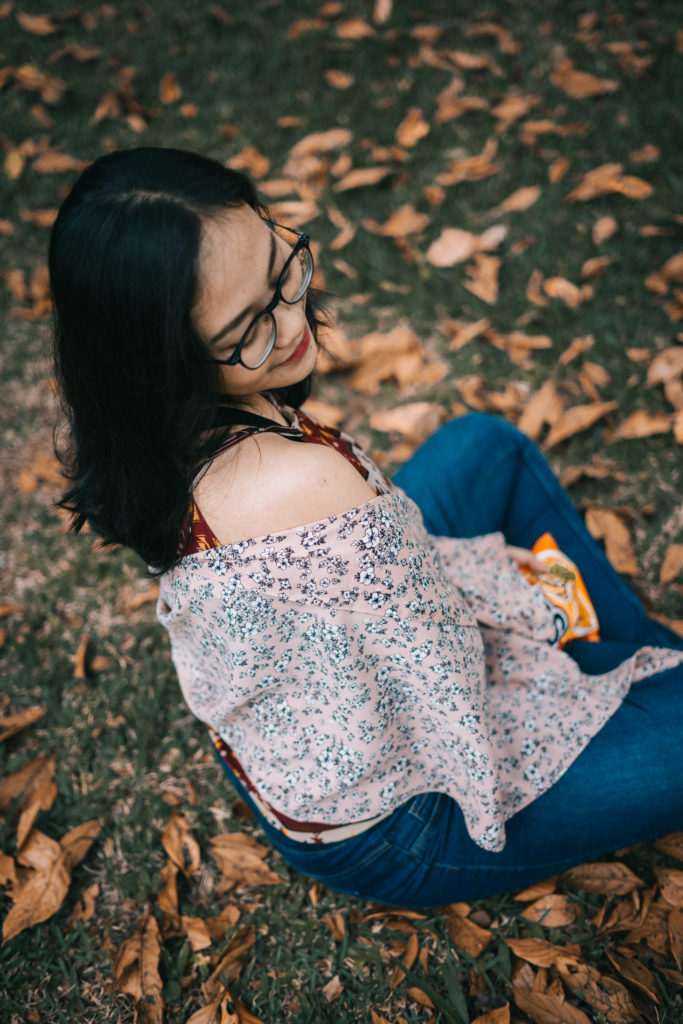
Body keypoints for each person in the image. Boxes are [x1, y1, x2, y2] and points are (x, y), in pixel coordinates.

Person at [50, 146, 683, 908]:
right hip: (399, 823)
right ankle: (637, 662)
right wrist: (550, 628)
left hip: (293, 741)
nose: (292, 323)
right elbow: (452, 680)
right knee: (603, 671)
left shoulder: (139, 430)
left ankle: (647, 656)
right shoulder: (295, 483)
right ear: (164, 359)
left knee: (485, 450)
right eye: (248, 326)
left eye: (282, 269)